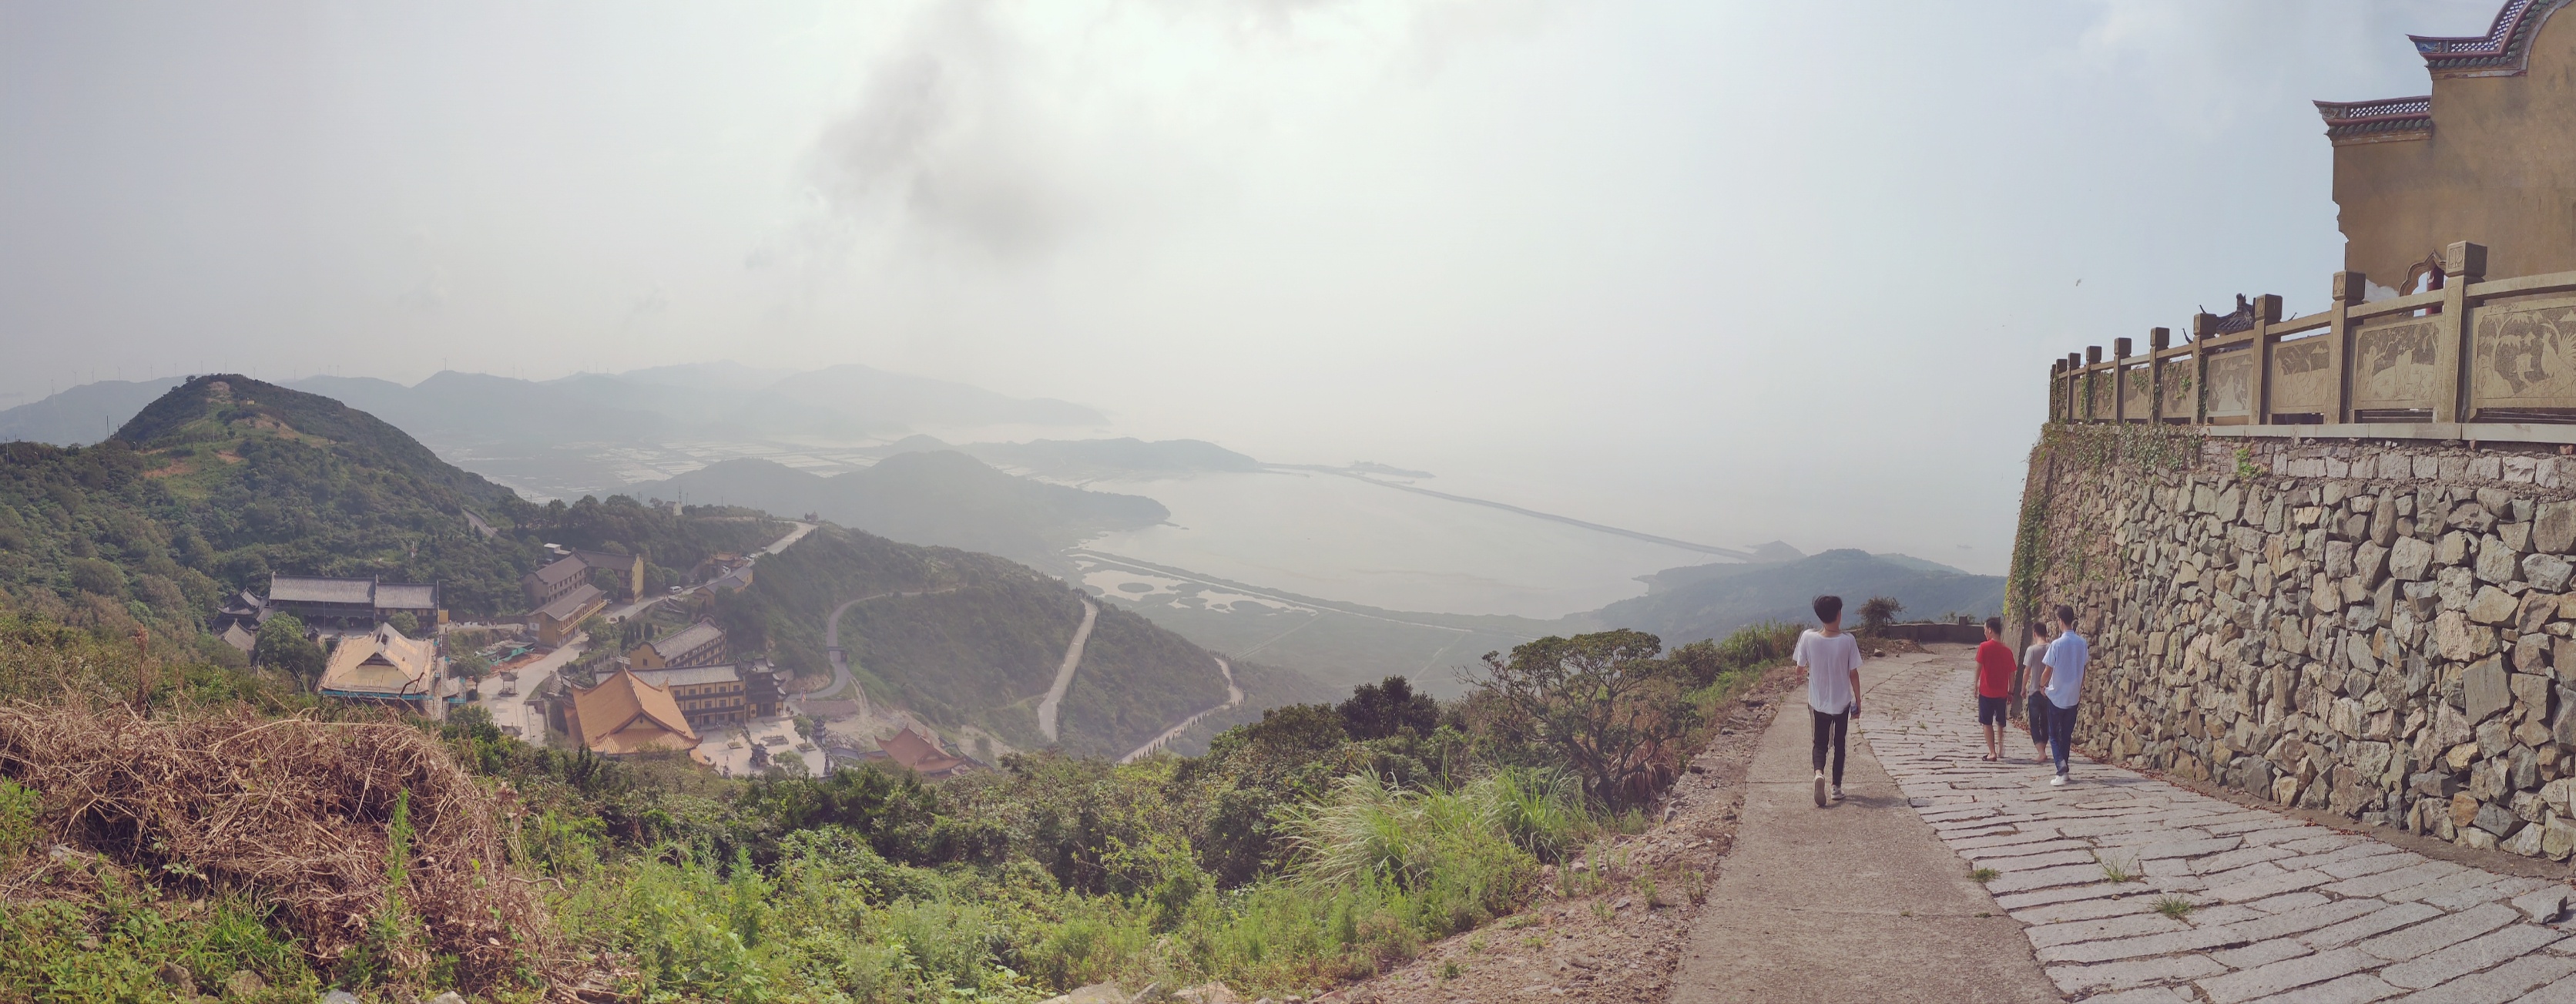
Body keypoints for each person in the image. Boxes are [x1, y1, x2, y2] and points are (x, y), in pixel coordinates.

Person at [1794, 594, 1865, 807]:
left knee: (1820, 743)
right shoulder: (1848, 641)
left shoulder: (1808, 637)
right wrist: (1858, 701)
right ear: (1839, 615)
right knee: (1840, 744)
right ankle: (1836, 788)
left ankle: (1818, 774)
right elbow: (1853, 673)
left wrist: (1801, 675)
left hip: (1818, 702)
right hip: (1841, 703)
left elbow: (1799, 668)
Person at [2035, 604, 2089, 787]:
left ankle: (2060, 769)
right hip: (2073, 696)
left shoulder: (2057, 645)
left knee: (2053, 734)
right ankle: (2065, 768)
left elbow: (2047, 670)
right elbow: (2083, 669)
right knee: (2066, 735)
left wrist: (2042, 686)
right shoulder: (2082, 643)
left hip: (2057, 695)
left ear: (2059, 620)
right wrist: (2080, 690)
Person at [1974, 616, 2014, 762]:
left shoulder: (1984, 647)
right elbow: (2012, 674)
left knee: (1986, 722)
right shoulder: (2008, 651)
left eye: (1985, 630)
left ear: (1990, 631)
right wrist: (2011, 692)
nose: (1985, 633)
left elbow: (1978, 667)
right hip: (2002, 693)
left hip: (1986, 691)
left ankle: (1992, 752)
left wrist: (1975, 685)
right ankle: (2000, 747)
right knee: (2000, 721)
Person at [2020, 621, 2053, 762]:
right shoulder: (2052, 647)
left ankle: (2041, 752)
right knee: (2046, 722)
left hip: (2034, 691)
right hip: (2049, 692)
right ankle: (2043, 750)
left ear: (2034, 634)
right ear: (2046, 633)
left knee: (2034, 723)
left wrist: (2022, 688)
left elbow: (2026, 671)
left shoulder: (2031, 650)